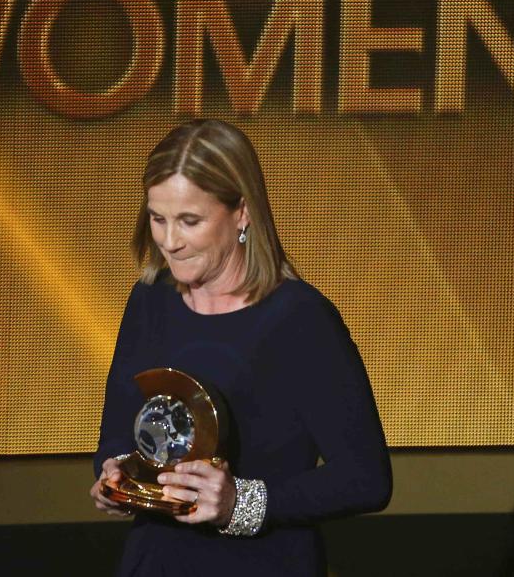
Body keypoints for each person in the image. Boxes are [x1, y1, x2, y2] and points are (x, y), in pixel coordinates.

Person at [90, 119, 392, 576]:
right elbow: (117, 429)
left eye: (190, 220)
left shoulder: (300, 320)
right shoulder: (149, 300)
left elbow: (367, 478)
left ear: (243, 212)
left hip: (265, 563)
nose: (169, 241)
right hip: (156, 560)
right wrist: (115, 476)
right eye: (158, 218)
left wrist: (240, 503)